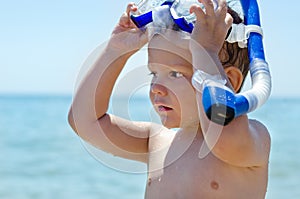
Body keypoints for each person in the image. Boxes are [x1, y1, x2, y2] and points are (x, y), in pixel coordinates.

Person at [68, 0, 271, 198]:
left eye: (175, 74)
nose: (156, 88)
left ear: (230, 80)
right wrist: (115, 51)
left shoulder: (251, 141)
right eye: (153, 74)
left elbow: (221, 132)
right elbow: (84, 121)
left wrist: (206, 52)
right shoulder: (157, 142)